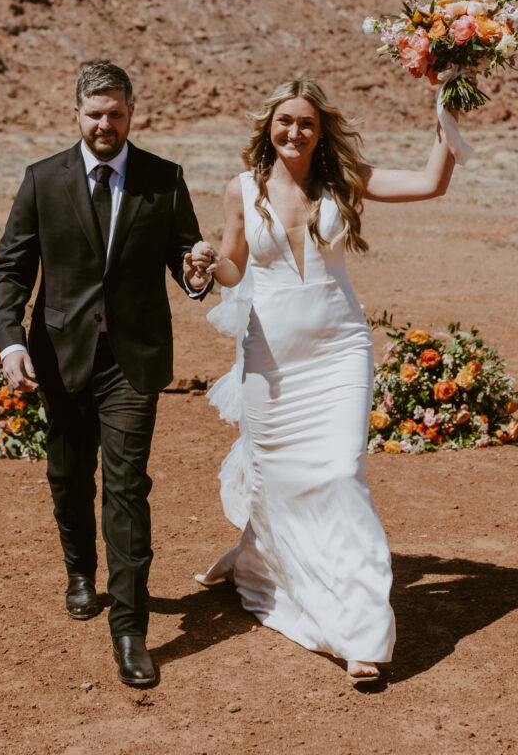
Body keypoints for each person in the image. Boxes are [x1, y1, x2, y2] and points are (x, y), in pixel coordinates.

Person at [190, 79, 457, 685]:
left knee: (340, 473)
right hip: (270, 360)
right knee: (281, 481)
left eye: (306, 123)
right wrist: (207, 262)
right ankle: (264, 566)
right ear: (269, 126)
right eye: (285, 121)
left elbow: (429, 183)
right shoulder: (242, 190)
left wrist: (447, 111)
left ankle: (360, 635)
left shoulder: (344, 178)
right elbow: (235, 268)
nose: (295, 132)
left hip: (340, 351)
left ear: (320, 129)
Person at [0, 61, 211, 687]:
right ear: (77, 114)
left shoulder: (163, 179)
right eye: (94, 114)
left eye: (116, 112)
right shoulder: (42, 180)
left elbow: (183, 258)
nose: (105, 124)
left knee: (126, 487)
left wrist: (195, 274)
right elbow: (10, 272)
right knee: (68, 476)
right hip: (58, 359)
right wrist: (11, 344)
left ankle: (131, 630)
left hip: (132, 362)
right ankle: (80, 570)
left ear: (131, 112)